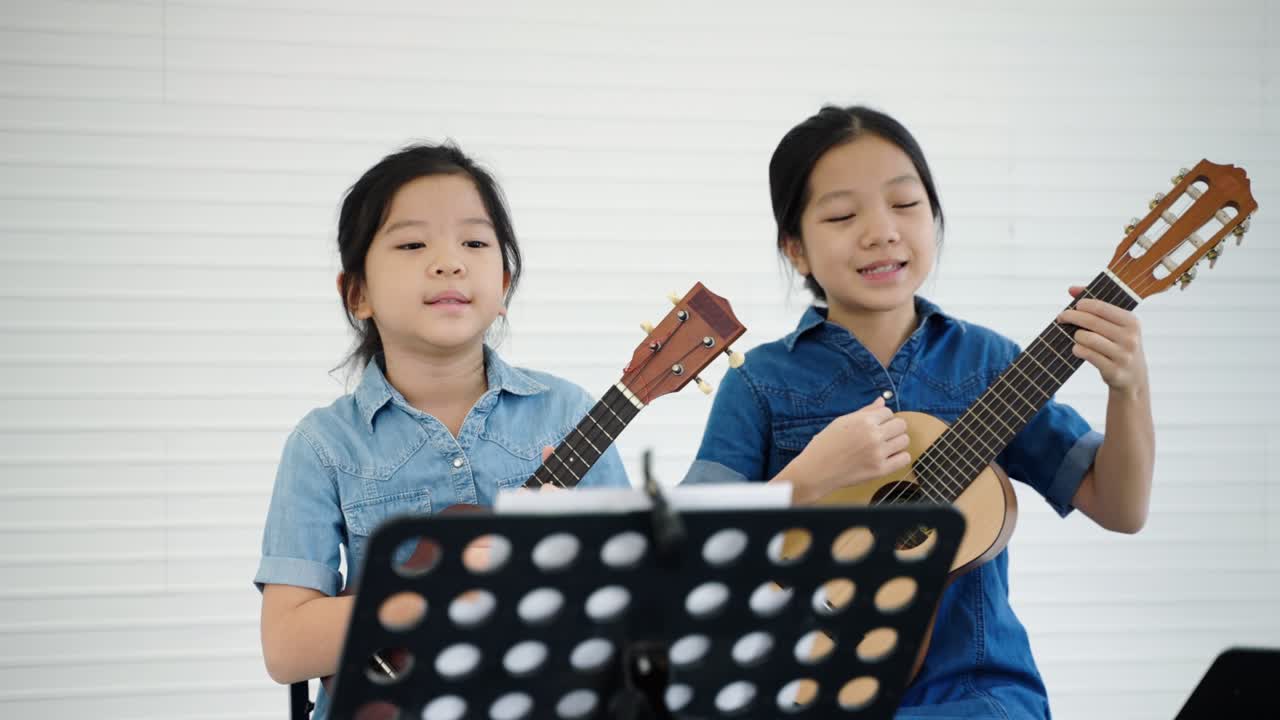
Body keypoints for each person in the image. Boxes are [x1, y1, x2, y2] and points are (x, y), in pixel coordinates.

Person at [683, 105, 1154, 718]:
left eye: (905, 205)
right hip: (806, 686)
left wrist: (1130, 386)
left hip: (976, 692)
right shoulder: (761, 383)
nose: (881, 231)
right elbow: (691, 549)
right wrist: (812, 476)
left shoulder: (991, 366)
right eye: (843, 215)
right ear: (795, 248)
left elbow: (1118, 507)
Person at [254, 142, 629, 719]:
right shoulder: (324, 446)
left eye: (475, 243)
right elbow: (286, 647)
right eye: (412, 244)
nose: (449, 261)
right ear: (357, 294)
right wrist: (446, 583)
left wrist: (571, 557)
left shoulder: (568, 415)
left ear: (502, 285)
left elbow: (635, 601)